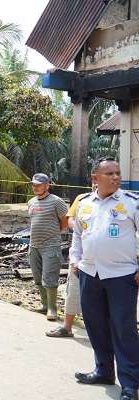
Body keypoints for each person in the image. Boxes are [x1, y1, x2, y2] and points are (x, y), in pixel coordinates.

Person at [70, 158, 139, 400]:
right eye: (109, 173)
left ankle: (130, 383)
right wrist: (75, 260)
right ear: (95, 178)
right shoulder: (85, 203)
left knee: (123, 329)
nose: (116, 177)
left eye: (117, 173)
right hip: (89, 274)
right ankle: (103, 371)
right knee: (95, 325)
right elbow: (78, 235)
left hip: (122, 275)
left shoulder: (131, 202)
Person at [46, 187, 95, 338]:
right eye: (94, 180)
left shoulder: (122, 202)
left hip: (107, 260)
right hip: (81, 257)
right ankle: (67, 327)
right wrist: (82, 226)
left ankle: (106, 332)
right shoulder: (82, 199)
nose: (96, 184)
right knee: (73, 291)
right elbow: (70, 219)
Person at [27, 173, 68, 321]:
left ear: (47, 186)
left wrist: (55, 234)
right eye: (33, 184)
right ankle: (44, 305)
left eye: (38, 185)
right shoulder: (31, 202)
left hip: (50, 245)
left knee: (50, 278)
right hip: (34, 245)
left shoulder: (56, 201)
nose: (35, 187)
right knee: (37, 276)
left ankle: (52, 308)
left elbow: (65, 221)